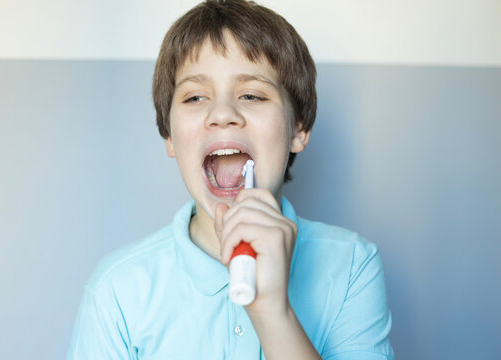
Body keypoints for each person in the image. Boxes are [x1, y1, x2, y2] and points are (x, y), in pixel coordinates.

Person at [68, 0, 394, 359]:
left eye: (251, 95)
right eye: (195, 97)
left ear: (298, 128)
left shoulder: (351, 267)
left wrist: (272, 312)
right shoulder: (117, 290)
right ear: (170, 136)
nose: (222, 114)